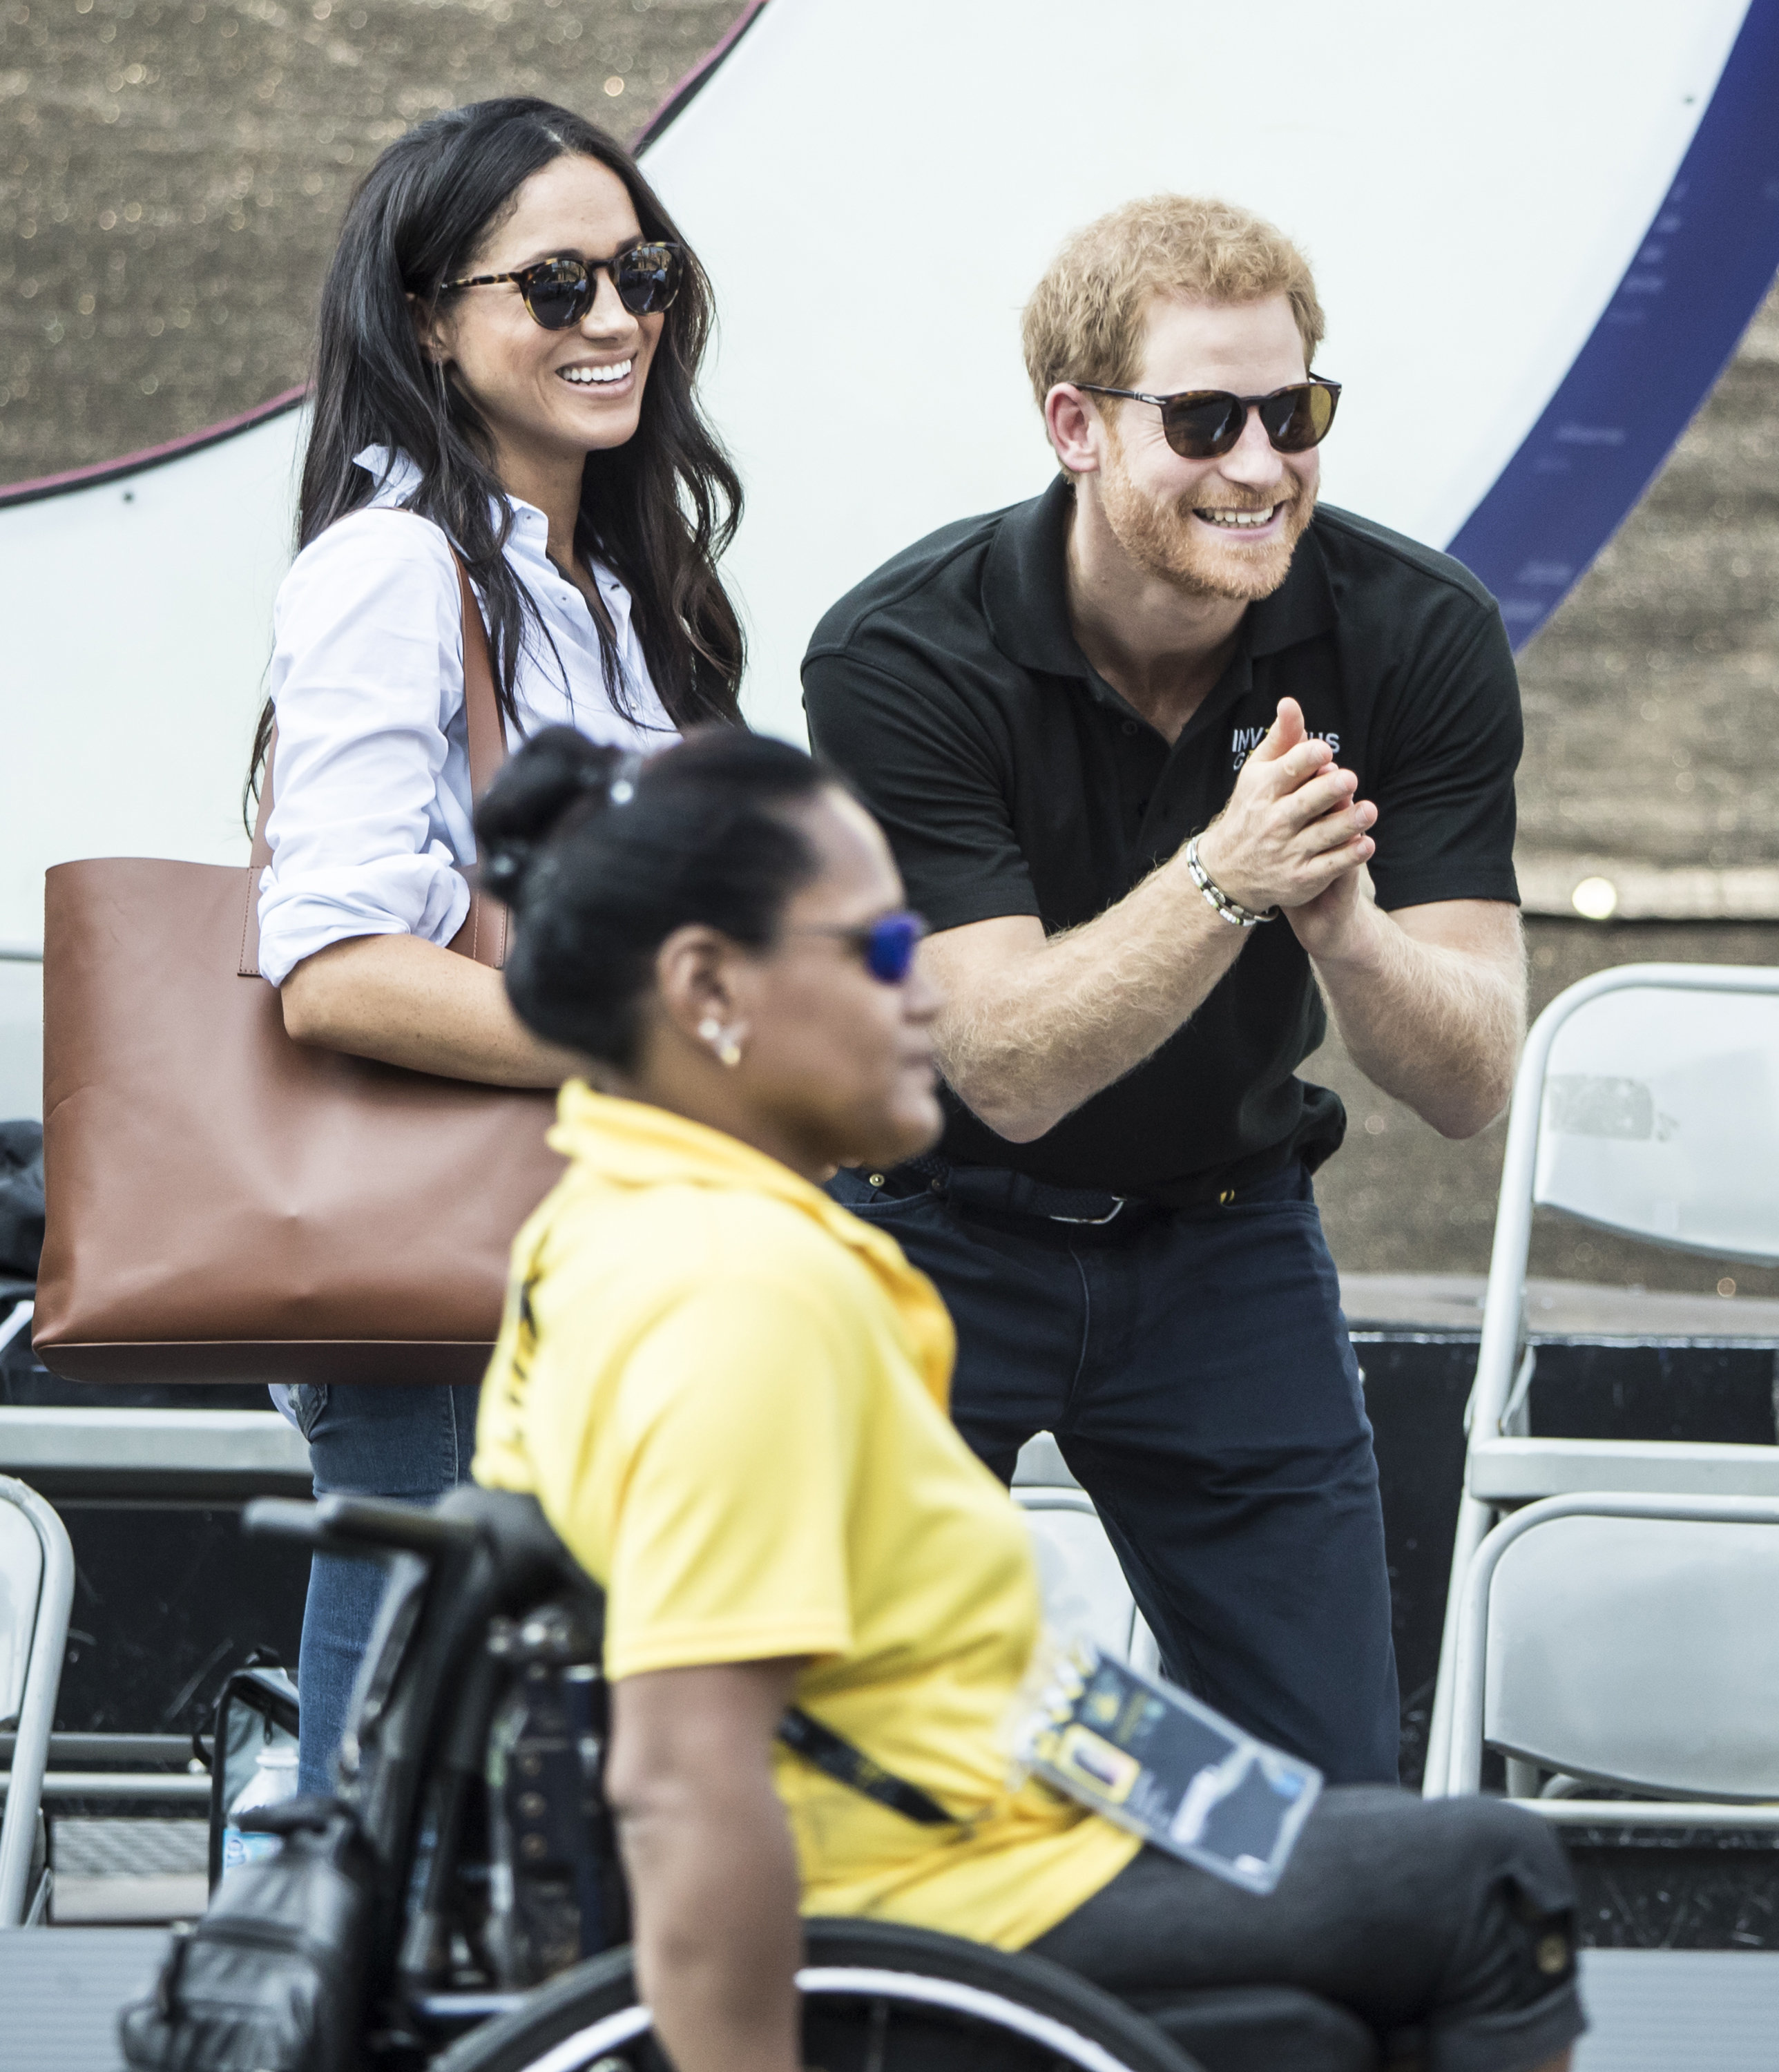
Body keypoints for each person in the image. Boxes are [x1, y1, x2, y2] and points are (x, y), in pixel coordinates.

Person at [470, 723, 1583, 2072]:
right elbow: (681, 1781)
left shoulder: (612, 1215)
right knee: (1487, 1883)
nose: (927, 995)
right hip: (933, 1887)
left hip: (988, 1811)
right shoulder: (734, 1288)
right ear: (709, 985)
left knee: (1338, 1891)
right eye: (884, 950)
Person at [801, 195, 1528, 1785]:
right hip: (921, 1229)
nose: (1262, 464)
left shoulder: (1419, 634)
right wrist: (1227, 878)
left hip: (1224, 1239)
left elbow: (1475, 1076)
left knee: (1323, 1792)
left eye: (1295, 411)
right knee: (856, 1762)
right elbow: (1001, 1065)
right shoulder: (898, 655)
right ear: (1074, 425)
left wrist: (1344, 928)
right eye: (1203, 419)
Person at [251, 96, 744, 1791]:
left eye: (640, 273)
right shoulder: (397, 567)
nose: (613, 320)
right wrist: (654, 1037)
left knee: (505, 1801)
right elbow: (331, 967)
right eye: (553, 287)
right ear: (426, 323)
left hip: (585, 1270)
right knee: (396, 1794)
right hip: (449, 1272)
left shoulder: (606, 581)